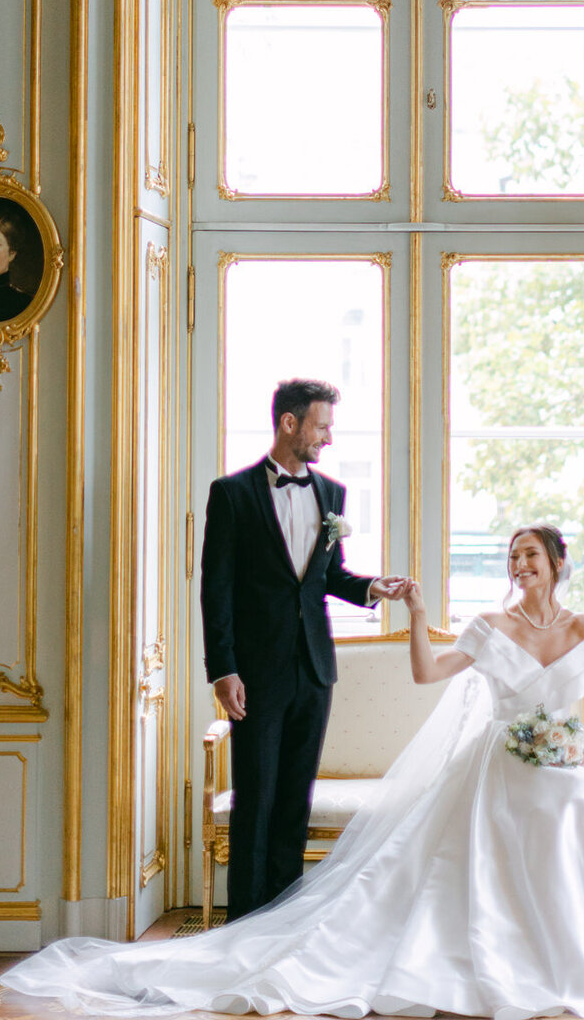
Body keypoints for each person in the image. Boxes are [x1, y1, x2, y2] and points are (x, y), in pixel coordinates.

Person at [1, 519, 584, 1019]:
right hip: (502, 765)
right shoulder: (488, 626)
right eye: (513, 554)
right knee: (530, 827)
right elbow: (426, 676)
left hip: (565, 763)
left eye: (532, 554)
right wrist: (416, 616)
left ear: (557, 563)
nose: (521, 564)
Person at [200, 377, 407, 919]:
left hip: (315, 671)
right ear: (289, 423)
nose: (328, 438)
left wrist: (368, 588)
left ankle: (282, 920)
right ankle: (242, 922)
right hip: (256, 674)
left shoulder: (332, 494)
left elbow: (324, 576)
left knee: (295, 801)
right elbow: (215, 589)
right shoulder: (232, 494)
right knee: (256, 800)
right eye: (322, 426)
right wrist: (224, 669)